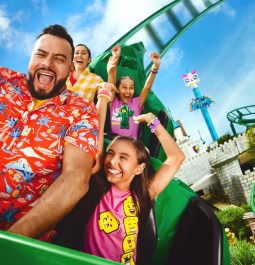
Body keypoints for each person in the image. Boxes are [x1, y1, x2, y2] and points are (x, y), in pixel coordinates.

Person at [0, 24, 99, 239]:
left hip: (17, 236)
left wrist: (9, 244)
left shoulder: (81, 110)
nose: (47, 63)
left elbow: (75, 179)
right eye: (41, 54)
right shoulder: (4, 80)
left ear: (71, 69)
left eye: (59, 59)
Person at [52, 110, 185, 265]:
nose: (113, 161)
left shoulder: (142, 196)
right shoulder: (96, 185)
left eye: (123, 157)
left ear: (139, 168)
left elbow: (177, 157)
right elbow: (97, 134)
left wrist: (152, 120)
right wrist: (103, 98)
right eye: (111, 153)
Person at [107, 44, 161, 138]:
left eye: (131, 88)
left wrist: (155, 66)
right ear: (117, 90)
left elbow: (147, 86)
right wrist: (116, 58)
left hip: (131, 144)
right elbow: (111, 82)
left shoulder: (137, 103)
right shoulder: (113, 102)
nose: (128, 90)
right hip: (115, 142)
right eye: (124, 87)